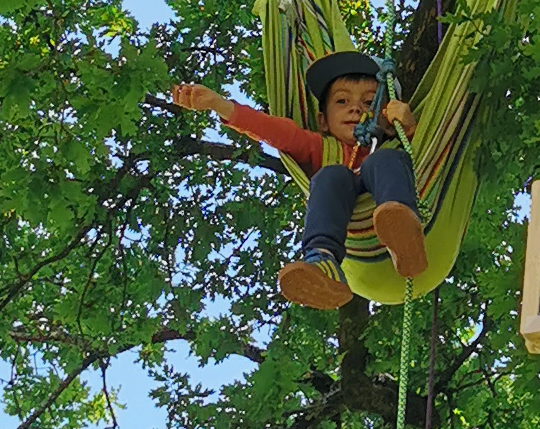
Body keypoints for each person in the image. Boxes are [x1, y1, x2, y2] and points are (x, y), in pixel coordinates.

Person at [170, 49, 426, 309]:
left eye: (370, 102)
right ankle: (322, 262)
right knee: (331, 175)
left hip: (392, 195)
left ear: (386, 118)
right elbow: (276, 131)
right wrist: (219, 104)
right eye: (341, 101)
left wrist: (408, 126)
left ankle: (403, 232)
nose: (356, 108)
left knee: (384, 160)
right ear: (323, 121)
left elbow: (429, 156)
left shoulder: (397, 145)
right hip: (351, 228)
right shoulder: (320, 147)